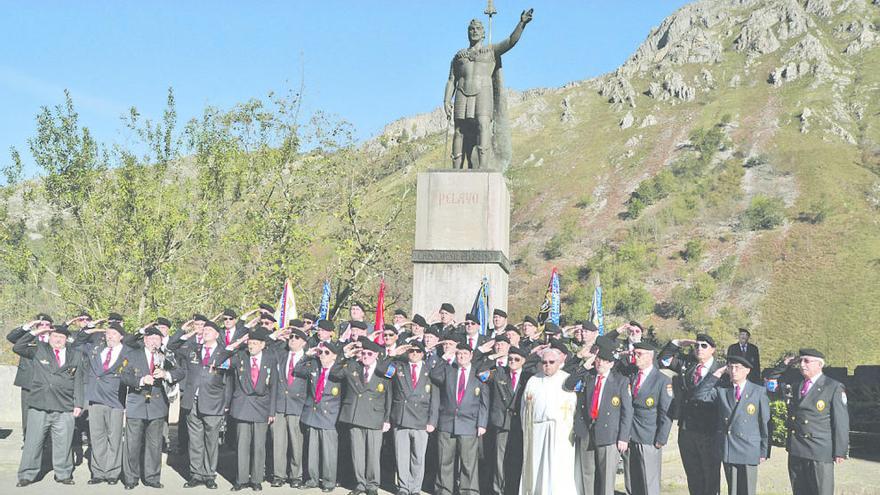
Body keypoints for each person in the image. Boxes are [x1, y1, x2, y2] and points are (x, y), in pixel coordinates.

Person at [444, 9, 533, 169]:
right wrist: (446, 100)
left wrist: (521, 24)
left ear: (484, 33)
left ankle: (483, 167)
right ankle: (456, 169)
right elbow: (451, 80)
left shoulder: (491, 51)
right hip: (461, 93)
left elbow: (511, 41)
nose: (474, 31)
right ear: (467, 33)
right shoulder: (459, 56)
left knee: (483, 125)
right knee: (459, 130)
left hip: (483, 92)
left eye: (478, 29)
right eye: (471, 29)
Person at [14, 324, 85, 487]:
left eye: (61, 337)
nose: (58, 339)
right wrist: (35, 332)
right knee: (33, 442)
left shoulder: (76, 355)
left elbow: (79, 381)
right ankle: (27, 474)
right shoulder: (39, 349)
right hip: (40, 404)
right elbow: (18, 346)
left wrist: (79, 404)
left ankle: (63, 473)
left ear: (67, 339)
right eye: (54, 336)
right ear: (49, 337)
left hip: (65, 406)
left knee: (64, 443)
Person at [563, 338, 632, 495]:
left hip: (609, 434)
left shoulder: (620, 381)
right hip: (587, 431)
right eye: (599, 359)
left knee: (606, 478)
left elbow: (627, 412)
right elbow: (568, 384)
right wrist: (585, 366)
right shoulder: (589, 377)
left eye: (606, 361)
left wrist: (623, 437)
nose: (601, 363)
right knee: (587, 475)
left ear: (611, 364)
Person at [693, 355, 770, 495]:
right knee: (732, 490)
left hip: (749, 448)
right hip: (729, 447)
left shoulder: (758, 391)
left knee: (747, 490)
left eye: (738, 368)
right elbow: (700, 395)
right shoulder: (722, 390)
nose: (734, 371)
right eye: (730, 367)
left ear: (747, 370)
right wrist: (716, 374)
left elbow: (764, 422)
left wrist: (764, 450)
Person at [659, 334, 724, 495]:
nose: (699, 349)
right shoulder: (687, 365)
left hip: (709, 430)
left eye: (704, 346)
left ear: (713, 350)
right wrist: (677, 343)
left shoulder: (721, 370)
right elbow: (663, 359)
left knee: (710, 476)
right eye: (697, 346)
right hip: (687, 429)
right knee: (693, 474)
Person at [121, 326, 185, 489]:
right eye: (151, 338)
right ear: (145, 340)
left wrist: (166, 374)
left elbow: (180, 372)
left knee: (155, 444)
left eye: (158, 338)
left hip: (158, 404)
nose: (154, 341)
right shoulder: (133, 354)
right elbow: (124, 376)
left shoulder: (166, 355)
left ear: (162, 340)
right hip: (137, 403)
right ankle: (131, 478)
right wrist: (141, 380)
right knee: (132, 443)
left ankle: (152, 477)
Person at [172, 320, 232, 489]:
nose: (205, 332)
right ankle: (196, 474)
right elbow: (172, 346)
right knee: (195, 440)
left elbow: (229, 381)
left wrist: (226, 404)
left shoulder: (224, 353)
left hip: (213, 403)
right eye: (203, 329)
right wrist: (185, 329)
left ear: (216, 334)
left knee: (211, 441)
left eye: (209, 330)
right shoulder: (193, 349)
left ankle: (209, 474)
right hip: (193, 401)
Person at [333, 337, 393, 495]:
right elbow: (335, 373)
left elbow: (390, 396)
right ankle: (360, 483)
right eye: (363, 353)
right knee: (357, 453)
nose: (366, 356)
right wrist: (345, 355)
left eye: (369, 353)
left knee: (373, 454)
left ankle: (372, 485)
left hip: (375, 417)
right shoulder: (353, 366)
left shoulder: (384, 372)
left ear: (376, 355)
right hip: (355, 415)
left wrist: (387, 419)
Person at [784, 348, 849, 495]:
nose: (802, 364)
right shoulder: (797, 385)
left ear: (820, 364)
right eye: (800, 361)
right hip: (797, 449)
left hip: (819, 450)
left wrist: (840, 450)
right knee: (799, 491)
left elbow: (841, 421)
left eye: (806, 361)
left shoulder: (833, 387)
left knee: (821, 491)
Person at [430, 342, 489, 495]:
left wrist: (482, 423)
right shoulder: (449, 370)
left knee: (468, 463)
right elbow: (434, 375)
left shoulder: (479, 373)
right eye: (459, 354)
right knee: (445, 461)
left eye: (464, 354)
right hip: (447, 423)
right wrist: (444, 358)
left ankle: (468, 491)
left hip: (469, 424)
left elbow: (484, 401)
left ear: (471, 356)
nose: (461, 357)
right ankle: (444, 490)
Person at [519, 347, 579, 494]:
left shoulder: (566, 379)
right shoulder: (533, 381)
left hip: (560, 432)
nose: (548, 365)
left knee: (556, 468)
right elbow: (524, 408)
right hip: (537, 431)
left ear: (559, 362)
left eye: (552, 362)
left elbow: (574, 406)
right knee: (536, 466)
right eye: (544, 362)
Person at [76, 321, 130, 485]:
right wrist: (91, 330)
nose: (109, 336)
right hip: (95, 398)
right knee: (97, 438)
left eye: (113, 333)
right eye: (107, 334)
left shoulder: (128, 352)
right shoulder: (96, 349)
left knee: (114, 438)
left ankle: (113, 472)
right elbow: (77, 343)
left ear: (121, 336)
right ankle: (98, 472)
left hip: (115, 400)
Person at [226, 327, 278, 491]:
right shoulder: (240, 356)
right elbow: (221, 358)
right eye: (250, 342)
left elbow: (274, 387)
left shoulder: (270, 359)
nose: (251, 346)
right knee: (242, 445)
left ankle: (256, 479)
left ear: (263, 345)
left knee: (259, 446)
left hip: (262, 407)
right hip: (243, 406)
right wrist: (237, 343)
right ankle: (241, 479)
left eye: (255, 343)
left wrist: (272, 411)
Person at [476, 345, 531, 495]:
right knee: (499, 460)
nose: (512, 361)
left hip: (518, 424)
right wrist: (493, 356)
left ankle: (511, 490)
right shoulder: (500, 373)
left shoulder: (528, 377)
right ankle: (497, 490)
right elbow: (480, 373)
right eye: (510, 358)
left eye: (516, 359)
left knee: (515, 459)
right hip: (501, 422)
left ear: (523, 361)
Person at [389, 341, 439, 495]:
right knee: (402, 456)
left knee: (418, 457)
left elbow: (435, 398)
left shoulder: (430, 369)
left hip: (422, 419)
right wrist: (393, 354)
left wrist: (432, 420)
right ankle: (404, 487)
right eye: (411, 351)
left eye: (418, 351)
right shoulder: (399, 366)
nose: (414, 353)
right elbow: (383, 371)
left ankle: (415, 488)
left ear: (423, 353)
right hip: (401, 417)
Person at [625, 342, 673, 495]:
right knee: (632, 481)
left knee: (649, 482)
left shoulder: (662, 380)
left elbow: (666, 413)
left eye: (639, 354)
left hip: (649, 437)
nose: (635, 357)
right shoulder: (631, 375)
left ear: (650, 356)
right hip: (630, 435)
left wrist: (661, 439)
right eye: (634, 354)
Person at [299, 340, 344, 493]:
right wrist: (306, 355)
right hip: (313, 413)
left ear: (334, 356)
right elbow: (297, 370)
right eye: (320, 352)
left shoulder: (338, 372)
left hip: (330, 415)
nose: (322, 356)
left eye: (326, 353)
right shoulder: (314, 366)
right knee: (312, 450)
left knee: (329, 452)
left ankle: (328, 481)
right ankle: (312, 479)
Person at [270, 326, 309, 488]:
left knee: (297, 443)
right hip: (280, 404)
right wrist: (276, 335)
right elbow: (266, 348)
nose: (292, 339)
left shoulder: (308, 360)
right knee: (278, 442)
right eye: (291, 337)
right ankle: (279, 475)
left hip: (298, 406)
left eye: (296, 338)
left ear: (304, 342)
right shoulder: (281, 355)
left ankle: (296, 475)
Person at [7, 313, 54, 446]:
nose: (44, 327)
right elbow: (11, 338)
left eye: (47, 324)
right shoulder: (29, 337)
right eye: (41, 324)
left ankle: (45, 440)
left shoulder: (54, 339)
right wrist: (29, 327)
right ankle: (27, 440)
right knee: (27, 413)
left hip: (47, 383)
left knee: (46, 412)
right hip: (28, 381)